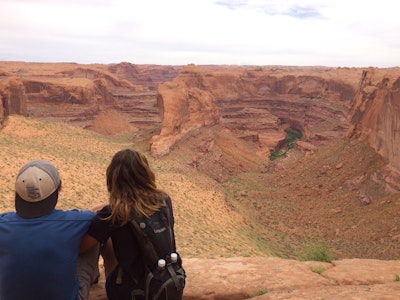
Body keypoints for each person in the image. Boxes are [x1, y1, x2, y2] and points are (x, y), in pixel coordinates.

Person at [80, 149, 179, 300]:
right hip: (166, 281)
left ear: (113, 177)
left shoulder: (114, 213)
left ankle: (94, 279)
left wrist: (92, 216)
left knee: (103, 240)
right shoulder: (165, 201)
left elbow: (82, 247)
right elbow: (139, 208)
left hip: (129, 292)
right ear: (145, 173)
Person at [0, 159, 98, 300]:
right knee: (94, 233)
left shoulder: (3, 224)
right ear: (56, 191)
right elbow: (101, 217)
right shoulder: (76, 222)